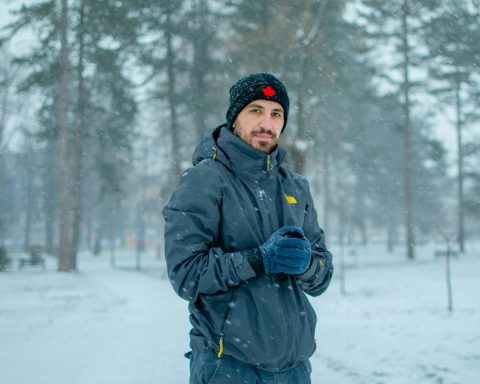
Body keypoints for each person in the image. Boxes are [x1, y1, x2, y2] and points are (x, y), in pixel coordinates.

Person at [162, 73, 334, 383]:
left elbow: (322, 277)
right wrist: (258, 260)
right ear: (234, 118)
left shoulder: (296, 186)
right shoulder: (206, 180)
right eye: (256, 110)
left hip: (294, 368)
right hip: (228, 366)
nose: (267, 123)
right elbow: (185, 275)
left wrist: (307, 264)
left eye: (276, 113)